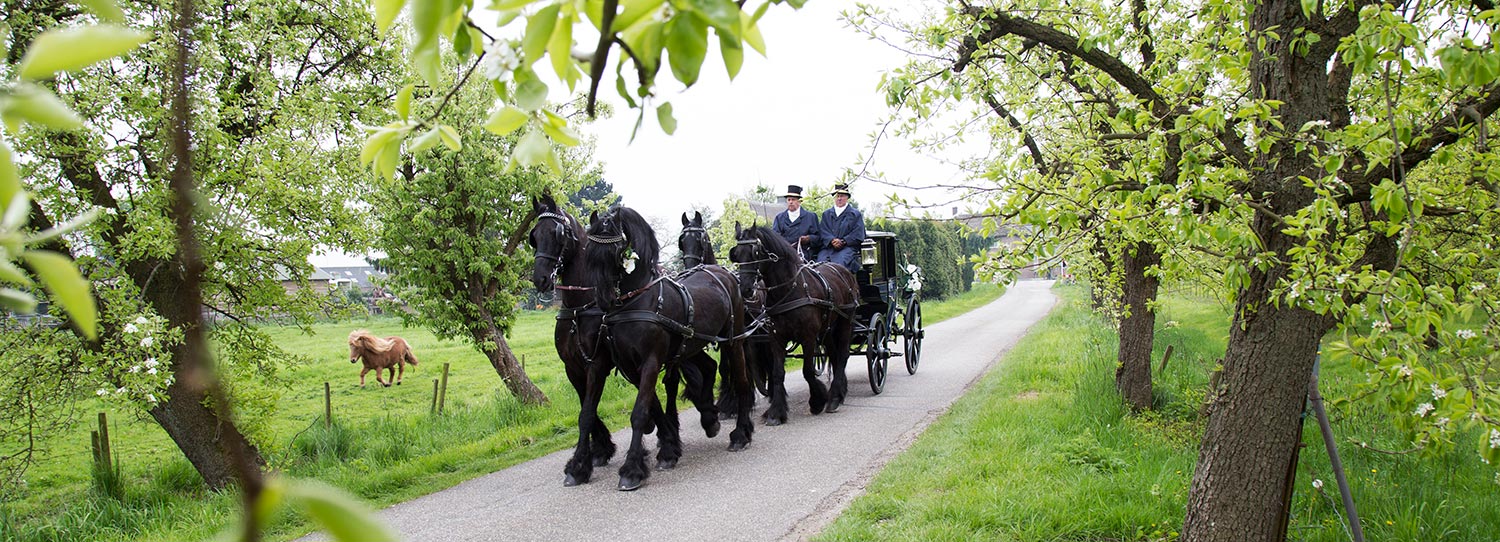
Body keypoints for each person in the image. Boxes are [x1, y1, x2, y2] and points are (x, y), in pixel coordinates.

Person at [816, 183, 866, 273]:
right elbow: (823, 231)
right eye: (837, 196)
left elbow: (858, 233)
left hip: (847, 249)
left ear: (847, 197)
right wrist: (832, 240)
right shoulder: (826, 214)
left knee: (839, 266)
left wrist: (843, 241)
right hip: (828, 248)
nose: (839, 198)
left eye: (842, 196)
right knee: (819, 267)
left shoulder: (855, 214)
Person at [772, 184, 819, 260]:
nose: (790, 202)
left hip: (804, 254)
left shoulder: (811, 217)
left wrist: (809, 238)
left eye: (793, 199)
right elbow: (775, 238)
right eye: (789, 200)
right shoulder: (779, 218)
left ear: (799, 201)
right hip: (784, 254)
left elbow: (818, 237)